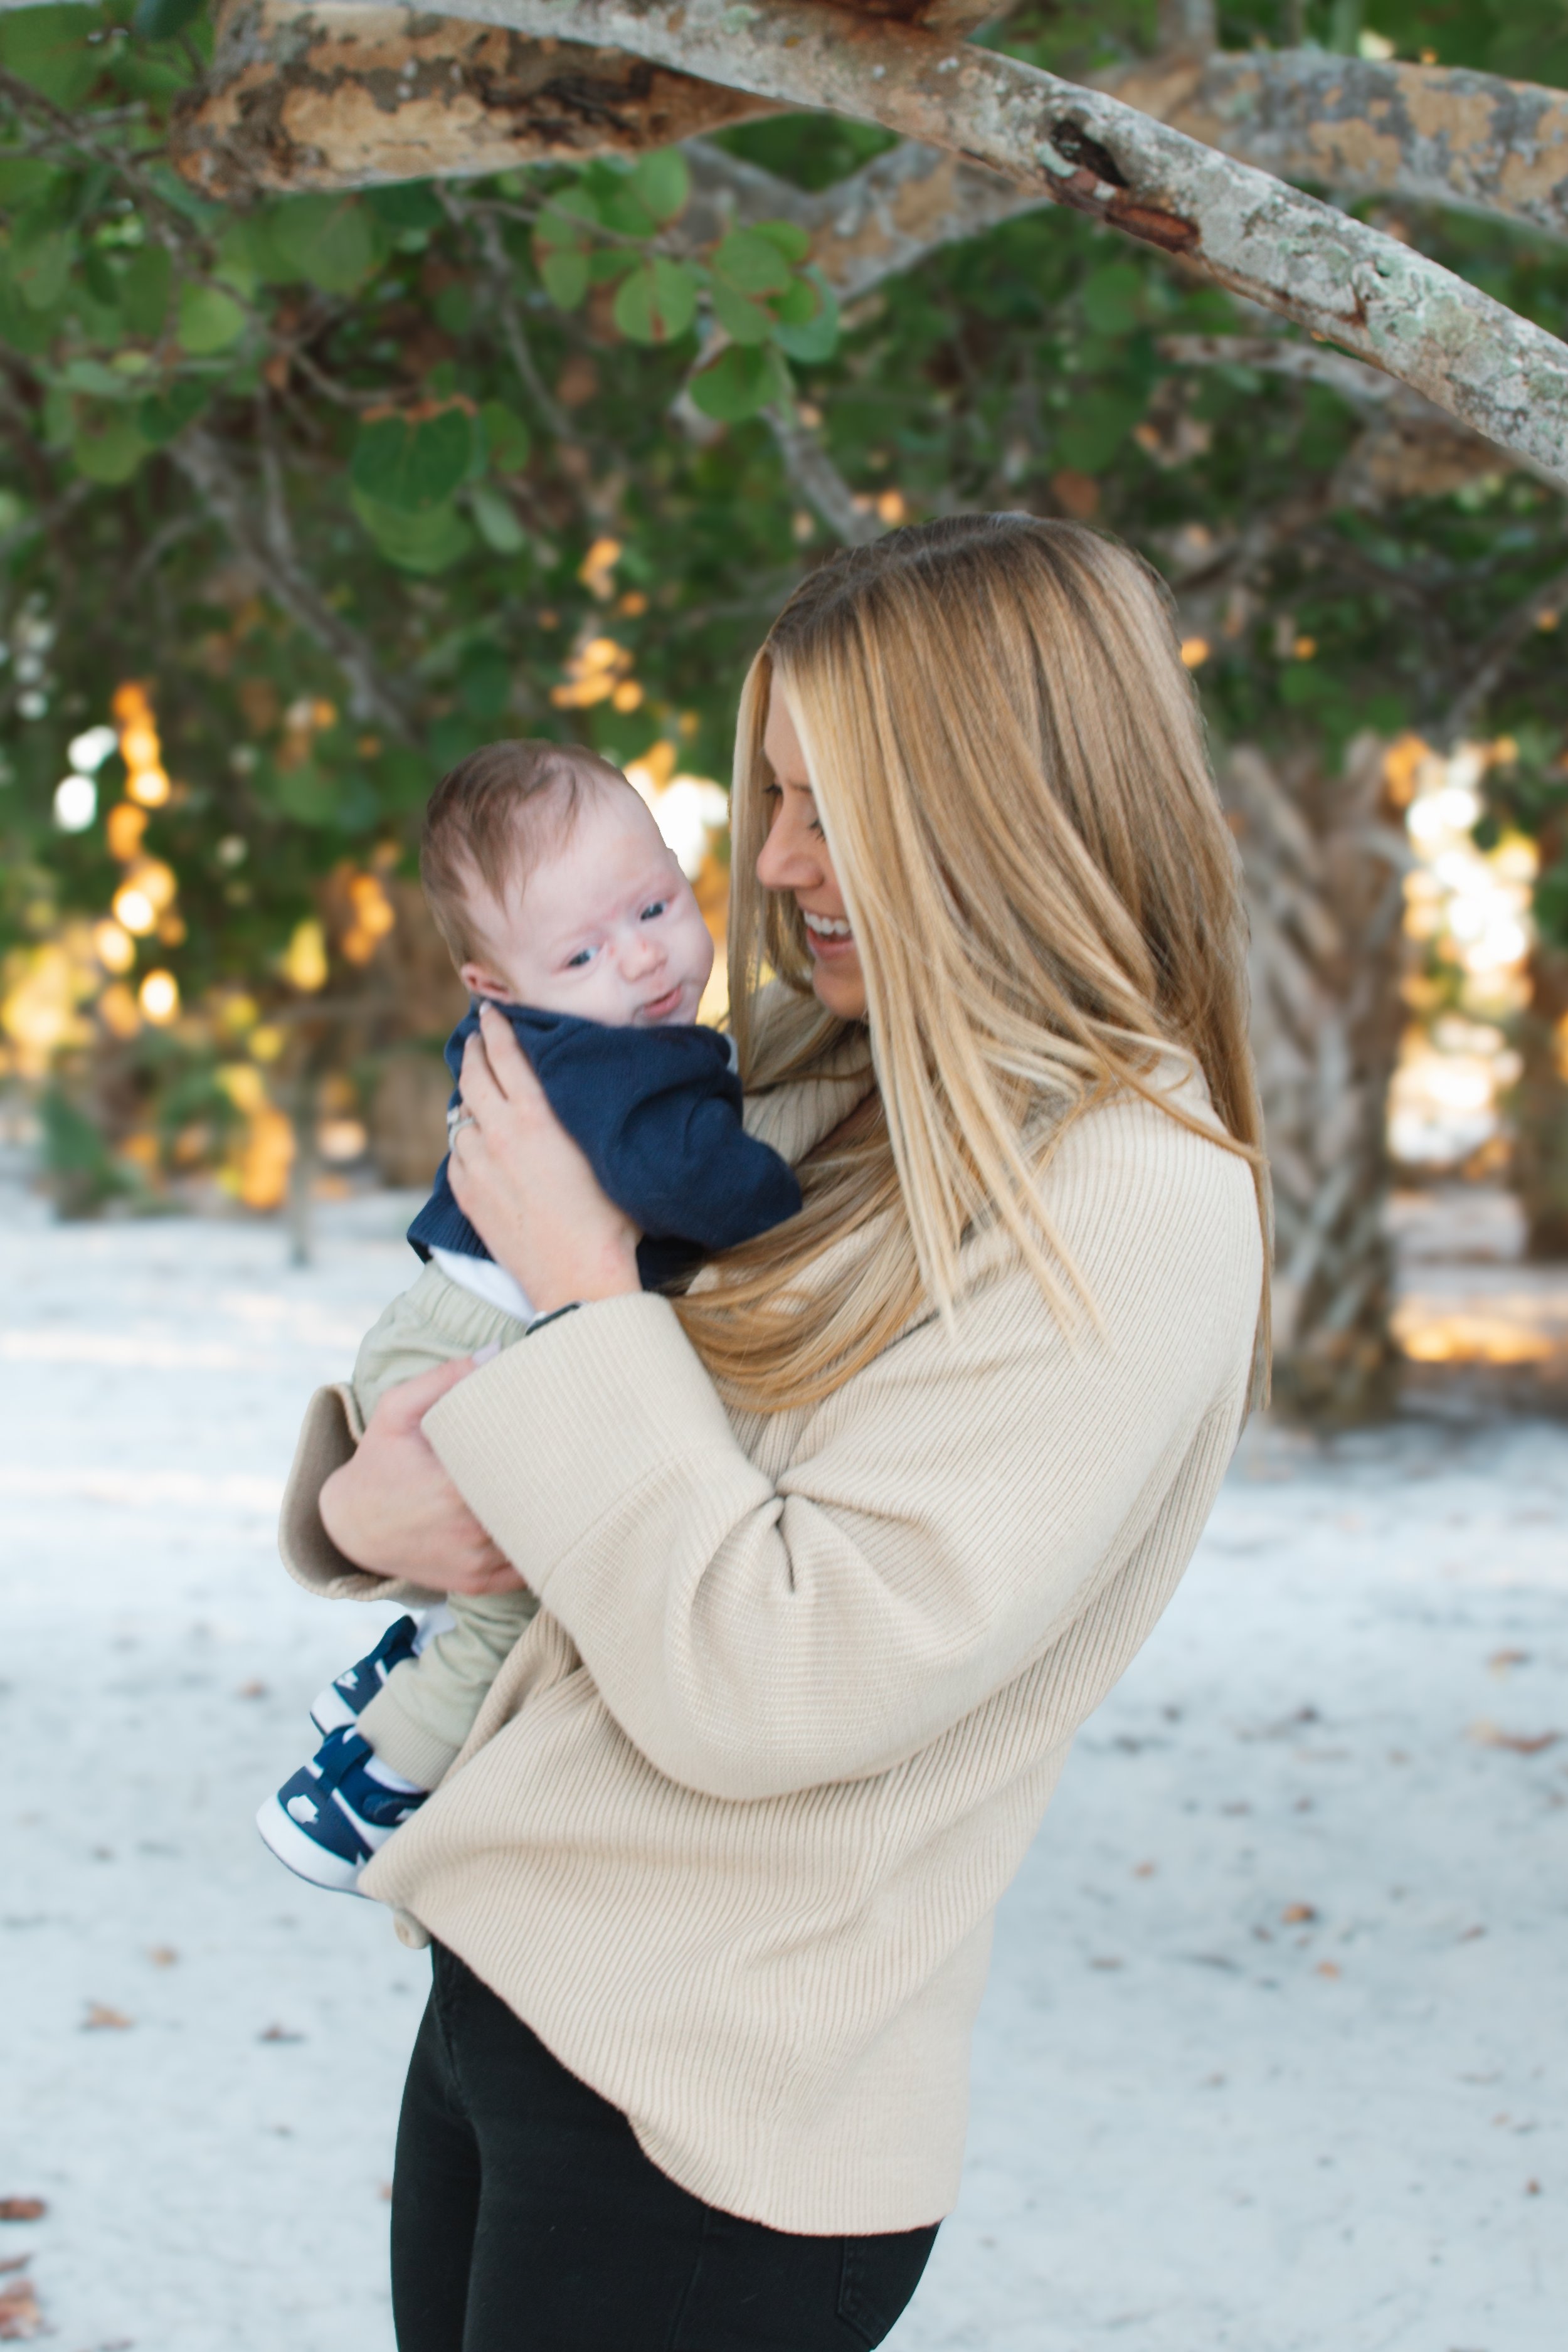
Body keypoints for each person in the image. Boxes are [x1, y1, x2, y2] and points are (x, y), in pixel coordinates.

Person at [277, 514, 1269, 2351]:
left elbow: (782, 1673)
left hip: (713, 2112)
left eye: (835, 803)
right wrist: (359, 1496)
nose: (781, 862)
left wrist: (585, 1283)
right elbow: (548, 1418)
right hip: (511, 1983)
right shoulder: (817, 1080)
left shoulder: (1133, 1190)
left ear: (1000, 803)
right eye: (775, 797)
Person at [259, 739, 801, 1891]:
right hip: (479, 1348)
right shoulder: (611, 1068)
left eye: (657, 903)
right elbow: (682, 1179)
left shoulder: (564, 1028)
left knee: (489, 1581)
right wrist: (779, 1199)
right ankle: (363, 1795)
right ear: (497, 988)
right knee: (513, 1606)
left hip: (441, 1321)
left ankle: (386, 1672)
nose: (645, 956)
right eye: (585, 949)